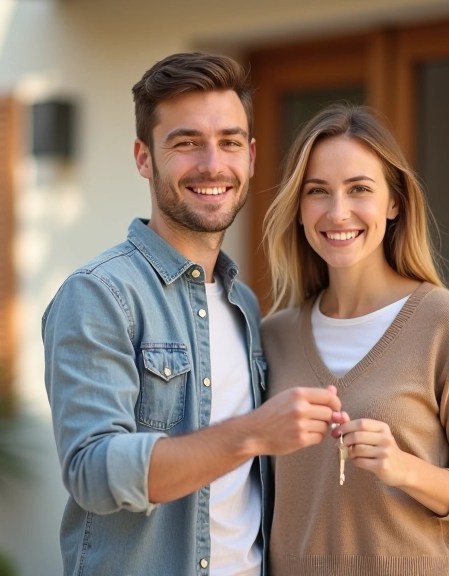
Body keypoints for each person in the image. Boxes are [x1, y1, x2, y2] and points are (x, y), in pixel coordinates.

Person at [42, 53, 343, 576]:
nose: (212, 164)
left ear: (250, 157)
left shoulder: (242, 303)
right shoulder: (99, 293)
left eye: (229, 142)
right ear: (143, 157)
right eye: (185, 143)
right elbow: (92, 472)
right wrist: (252, 432)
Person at [260, 104, 449, 575]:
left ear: (393, 202)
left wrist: (404, 469)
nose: (338, 212)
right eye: (318, 191)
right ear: (299, 209)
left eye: (359, 189)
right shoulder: (272, 337)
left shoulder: (447, 324)